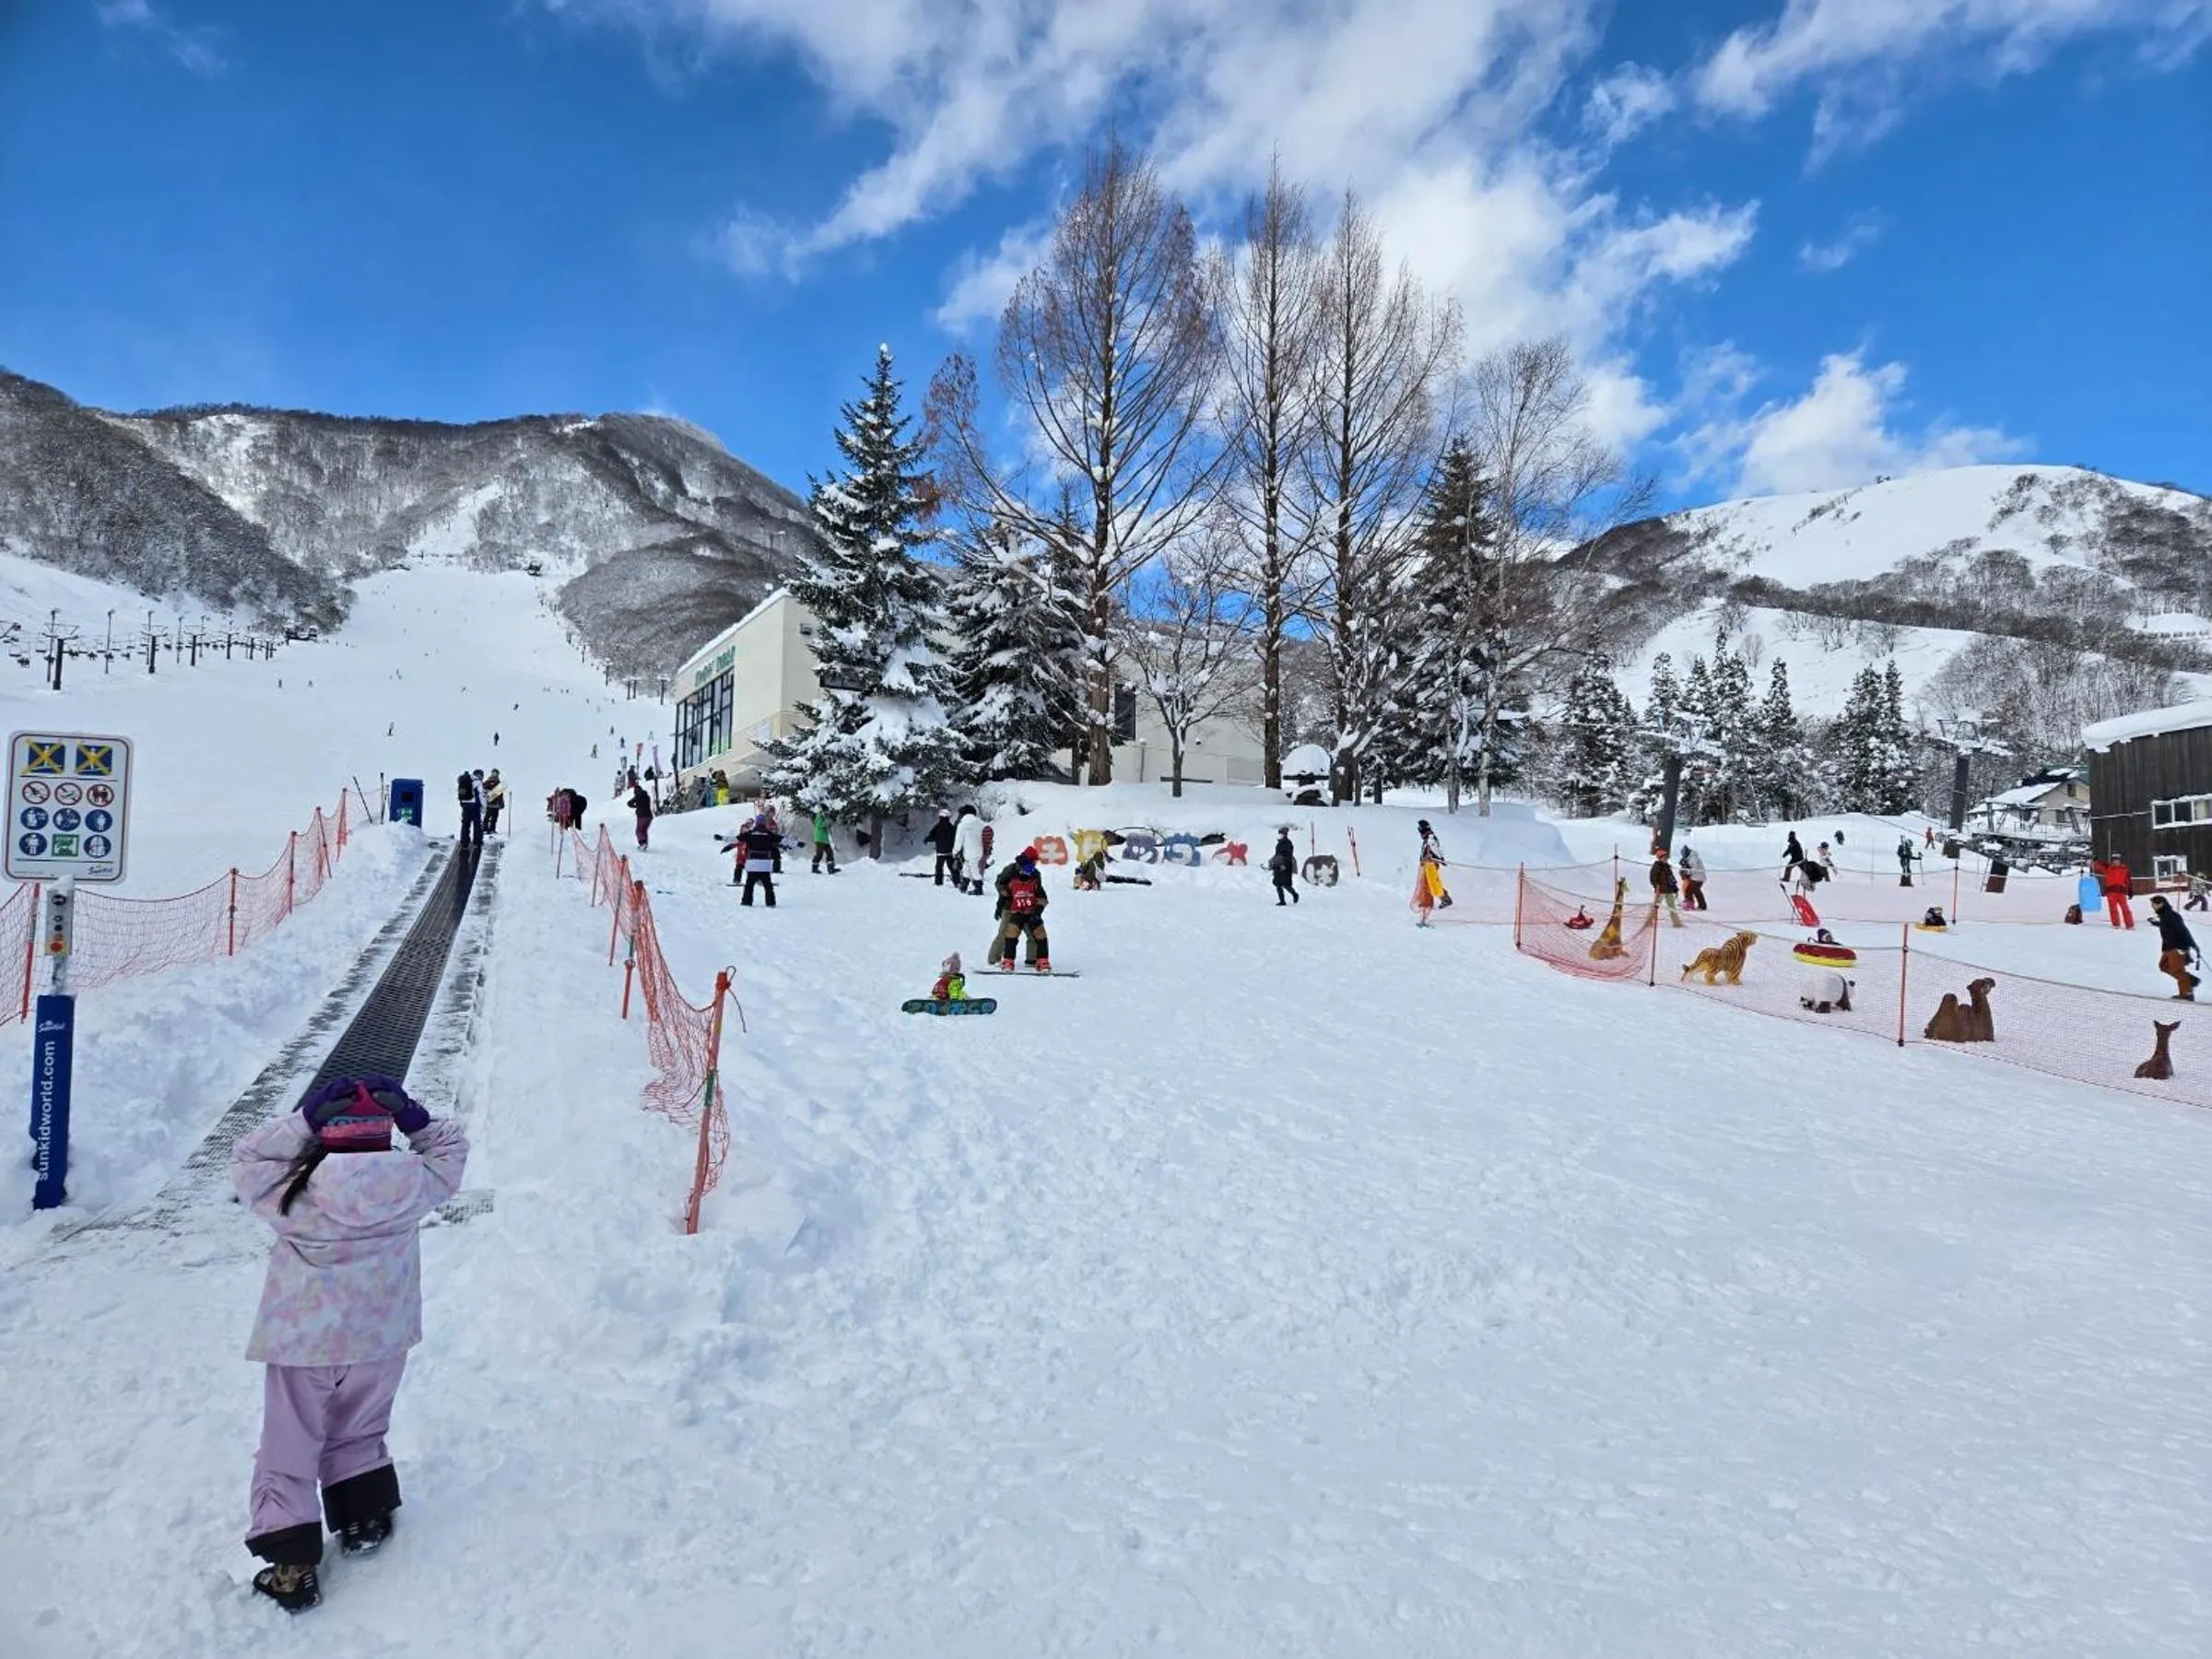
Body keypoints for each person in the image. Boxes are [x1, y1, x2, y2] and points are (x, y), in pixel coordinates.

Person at [229, 1076, 468, 1613]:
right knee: (360, 1426)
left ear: (327, 1135)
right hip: (381, 1337)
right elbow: (450, 1147)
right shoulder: (412, 1183)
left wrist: (302, 1122)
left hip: (303, 1342)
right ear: (384, 1134)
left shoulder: (296, 1192)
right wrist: (413, 1115)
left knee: (289, 1442)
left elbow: (246, 1159)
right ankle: (364, 1514)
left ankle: (291, 1561)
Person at [992, 846, 1052, 971]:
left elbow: (1038, 892)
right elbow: (999, 883)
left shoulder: (1035, 874)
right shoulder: (1011, 870)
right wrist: (1006, 894)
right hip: (1010, 906)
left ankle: (1032, 959)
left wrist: (1037, 910)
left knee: (1033, 934)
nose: (1035, 865)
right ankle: (994, 959)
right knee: (1005, 932)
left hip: (1028, 907)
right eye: (1033, 862)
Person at [2148, 895, 2201, 999]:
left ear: (2161, 904)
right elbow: (2168, 926)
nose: (2152, 906)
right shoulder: (2164, 915)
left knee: (2177, 970)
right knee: (2164, 966)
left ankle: (2187, 994)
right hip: (2169, 947)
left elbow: (2183, 930)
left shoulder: (2171, 915)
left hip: (2178, 947)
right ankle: (2190, 980)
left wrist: (2193, 945)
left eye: (2154, 904)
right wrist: (2157, 923)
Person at [735, 813, 782, 907]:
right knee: (768, 885)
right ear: (764, 823)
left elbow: (736, 839)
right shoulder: (769, 834)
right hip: (765, 865)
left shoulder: (750, 834)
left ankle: (746, 901)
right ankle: (771, 903)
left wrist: (722, 838)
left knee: (749, 885)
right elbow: (783, 840)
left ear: (756, 823)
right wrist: (797, 843)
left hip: (753, 864)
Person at [1415, 819, 1452, 909]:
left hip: (1431, 864)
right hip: (1427, 864)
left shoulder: (1430, 838)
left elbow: (1436, 851)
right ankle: (1432, 901)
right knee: (1429, 883)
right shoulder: (1428, 838)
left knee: (1431, 883)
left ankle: (1429, 902)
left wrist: (1441, 859)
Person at [2092, 854, 2136, 929]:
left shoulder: (2125, 869)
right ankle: (2116, 924)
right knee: (2113, 909)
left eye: (2117, 860)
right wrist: (2095, 861)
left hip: (2121, 892)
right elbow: (2098, 867)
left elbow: (2128, 881)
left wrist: (2130, 891)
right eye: (2114, 861)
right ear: (2112, 862)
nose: (2116, 862)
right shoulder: (2108, 868)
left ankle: (2130, 925)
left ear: (2120, 861)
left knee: (2125, 909)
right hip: (2111, 892)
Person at [952, 806, 985, 894]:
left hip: (969, 852)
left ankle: (979, 889)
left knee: (974, 871)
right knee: (967, 868)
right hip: (980, 851)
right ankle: (964, 886)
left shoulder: (962, 825)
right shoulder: (982, 823)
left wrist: (955, 852)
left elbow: (958, 841)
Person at [1650, 844, 1683, 928]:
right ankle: (1649, 921)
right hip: (1660, 890)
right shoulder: (1657, 866)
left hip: (1669, 890)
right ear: (1659, 858)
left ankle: (1677, 923)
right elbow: (1653, 878)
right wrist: (1656, 886)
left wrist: (1675, 888)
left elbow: (1671, 878)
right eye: (1664, 858)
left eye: (1666, 858)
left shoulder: (1667, 867)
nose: (1666, 859)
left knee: (1672, 907)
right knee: (1655, 906)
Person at [925, 808, 959, 886]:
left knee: (939, 867)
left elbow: (932, 836)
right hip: (950, 852)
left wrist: (926, 840)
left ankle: (938, 882)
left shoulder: (937, 827)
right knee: (952, 867)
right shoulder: (951, 827)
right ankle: (957, 882)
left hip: (940, 852)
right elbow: (956, 838)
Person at [1269, 829, 1300, 906]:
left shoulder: (1288, 843)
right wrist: (1272, 862)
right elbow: (1277, 855)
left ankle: (1295, 894)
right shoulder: (1279, 843)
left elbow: (1289, 856)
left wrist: (1284, 865)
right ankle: (1282, 901)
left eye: (1281, 834)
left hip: (1286, 866)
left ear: (1285, 834)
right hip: (1278, 865)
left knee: (1286, 884)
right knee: (1278, 883)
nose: (1279, 835)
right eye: (1279, 834)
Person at [456, 771, 485, 848]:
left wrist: (463, 804)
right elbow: (481, 796)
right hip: (475, 806)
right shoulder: (478, 782)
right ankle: (477, 842)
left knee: (465, 824)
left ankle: (464, 842)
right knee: (477, 824)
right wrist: (484, 806)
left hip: (465, 805)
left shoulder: (464, 780)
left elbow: (461, 794)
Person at [1677, 843, 1707, 911]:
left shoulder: (1693, 858)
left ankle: (1691, 904)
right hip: (1696, 877)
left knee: (1689, 890)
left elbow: (1694, 869)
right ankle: (1701, 905)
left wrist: (1687, 872)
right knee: (1696, 891)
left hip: (1698, 878)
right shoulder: (1690, 858)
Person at [810, 806, 839, 874]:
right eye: (826, 811)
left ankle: (831, 868)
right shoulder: (819, 816)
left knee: (830, 853)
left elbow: (828, 824)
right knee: (819, 854)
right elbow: (819, 825)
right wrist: (828, 823)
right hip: (819, 838)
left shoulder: (824, 817)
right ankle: (814, 868)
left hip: (825, 839)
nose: (827, 812)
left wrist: (831, 821)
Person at [629, 779, 653, 851]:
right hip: (649, 816)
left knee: (639, 830)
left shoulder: (637, 796)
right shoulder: (647, 796)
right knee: (644, 830)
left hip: (642, 816)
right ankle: (645, 843)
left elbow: (629, 803)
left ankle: (642, 844)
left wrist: (635, 806)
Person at [483, 771, 507, 837]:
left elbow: (482, 791)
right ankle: (492, 829)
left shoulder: (486, 782)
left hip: (488, 803)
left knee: (487, 816)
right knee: (494, 817)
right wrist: (501, 804)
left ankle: (485, 829)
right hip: (496, 804)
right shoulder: (499, 783)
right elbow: (500, 796)